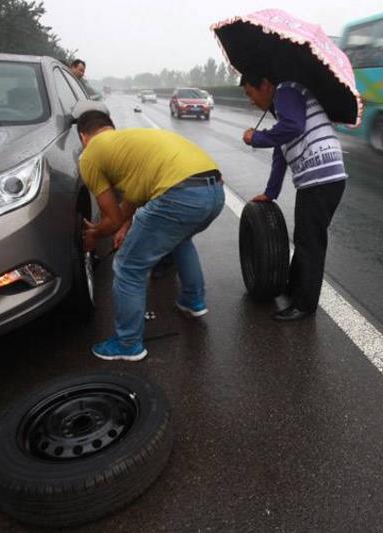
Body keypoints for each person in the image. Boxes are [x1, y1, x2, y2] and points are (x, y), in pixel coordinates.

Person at [77, 110, 225, 361]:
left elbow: (111, 219)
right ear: (109, 128)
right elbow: (128, 207)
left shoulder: (90, 155)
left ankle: (128, 344)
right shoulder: (129, 146)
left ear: (83, 137)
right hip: (215, 192)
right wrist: (123, 226)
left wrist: (93, 235)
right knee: (180, 239)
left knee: (127, 267)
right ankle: (193, 301)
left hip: (180, 195)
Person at [241, 69, 347, 321]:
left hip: (320, 177)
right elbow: (281, 153)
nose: (250, 100)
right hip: (321, 178)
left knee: (310, 242)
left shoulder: (286, 90)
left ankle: (304, 304)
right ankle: (294, 287)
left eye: (250, 93)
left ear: (265, 84)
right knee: (305, 237)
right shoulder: (285, 105)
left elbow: (293, 126)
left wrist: (256, 137)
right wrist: (270, 192)